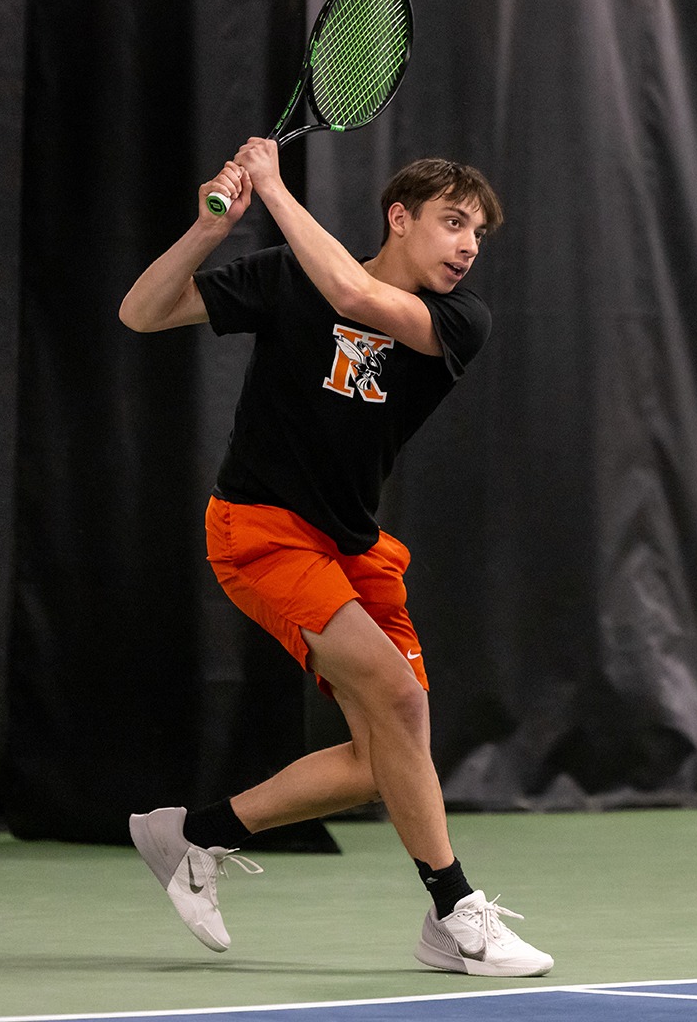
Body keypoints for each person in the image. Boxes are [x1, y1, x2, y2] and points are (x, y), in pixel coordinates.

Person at [117, 137, 552, 978]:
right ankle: (456, 911)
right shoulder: (284, 277)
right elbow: (142, 312)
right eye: (452, 223)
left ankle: (192, 835)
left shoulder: (461, 320)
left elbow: (354, 291)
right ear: (401, 216)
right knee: (394, 696)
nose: (468, 245)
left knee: (382, 756)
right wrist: (211, 229)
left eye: (478, 234)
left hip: (354, 548)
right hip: (260, 529)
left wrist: (276, 189)